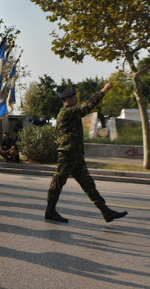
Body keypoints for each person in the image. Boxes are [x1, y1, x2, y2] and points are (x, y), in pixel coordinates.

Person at [45, 83, 128, 223]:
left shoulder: (71, 111)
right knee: (58, 181)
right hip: (68, 153)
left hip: (75, 154)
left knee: (88, 183)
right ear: (68, 99)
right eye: (74, 97)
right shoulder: (67, 112)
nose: (77, 99)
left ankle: (106, 212)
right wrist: (103, 90)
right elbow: (87, 106)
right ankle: (50, 211)